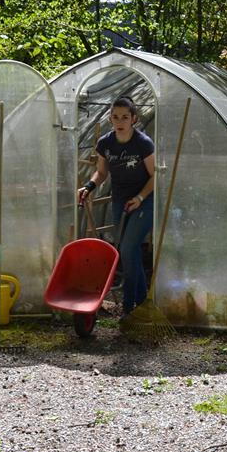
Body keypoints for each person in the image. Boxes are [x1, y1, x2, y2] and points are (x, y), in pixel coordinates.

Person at [77, 95, 155, 320]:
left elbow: (155, 177)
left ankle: (130, 307)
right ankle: (140, 305)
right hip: (120, 198)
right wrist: (89, 186)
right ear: (110, 119)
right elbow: (101, 173)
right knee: (127, 252)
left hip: (144, 198)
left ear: (134, 119)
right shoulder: (105, 143)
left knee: (129, 249)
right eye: (115, 117)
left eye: (124, 117)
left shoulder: (143, 143)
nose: (119, 121)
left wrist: (140, 197)